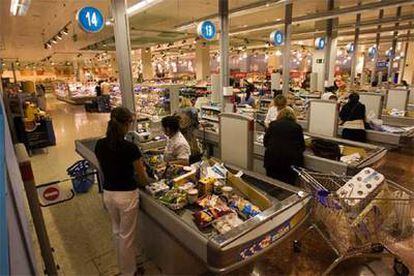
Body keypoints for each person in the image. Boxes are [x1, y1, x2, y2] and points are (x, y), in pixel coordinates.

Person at [95, 107, 148, 276]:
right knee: (127, 237)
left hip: (109, 194)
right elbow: (143, 178)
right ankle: (129, 272)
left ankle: (125, 266)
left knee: (117, 232)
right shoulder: (130, 148)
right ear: (126, 124)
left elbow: (103, 168)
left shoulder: (100, 144)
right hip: (127, 196)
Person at [263, 108, 305, 185]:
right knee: (288, 186)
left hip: (272, 160)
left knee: (272, 184)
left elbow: (265, 142)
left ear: (279, 115)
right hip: (290, 163)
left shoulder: (273, 124)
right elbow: (302, 146)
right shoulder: (297, 127)